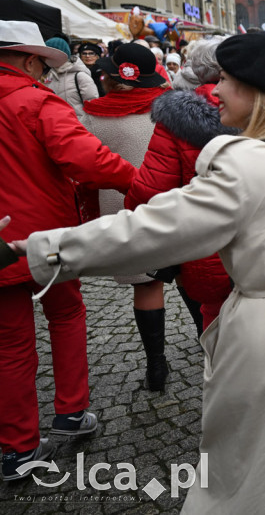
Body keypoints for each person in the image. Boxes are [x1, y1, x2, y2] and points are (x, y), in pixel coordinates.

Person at [10, 31, 265, 512]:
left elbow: (148, 231)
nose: (215, 90)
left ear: (254, 89)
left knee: (258, 479)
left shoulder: (250, 162)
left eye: (225, 79)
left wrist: (32, 250)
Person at [0, 21, 135, 483]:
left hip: (1, 245)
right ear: (29, 60)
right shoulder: (36, 101)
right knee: (66, 316)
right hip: (47, 239)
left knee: (9, 346)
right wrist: (141, 183)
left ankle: (17, 448)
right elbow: (88, 159)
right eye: (40, 64)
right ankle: (71, 412)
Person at [124, 38, 235, 336]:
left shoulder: (176, 117)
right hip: (261, 247)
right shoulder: (263, 108)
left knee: (215, 324)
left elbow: (149, 190)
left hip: (203, 244)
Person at [82, 44, 171, 391]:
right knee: (196, 281)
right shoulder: (167, 110)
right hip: (172, 202)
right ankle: (213, 354)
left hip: (125, 211)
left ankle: (155, 368)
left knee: (146, 284)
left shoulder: (91, 116)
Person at [41, 36, 98, 120]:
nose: (45, 58)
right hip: (54, 127)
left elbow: (93, 106)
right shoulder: (46, 75)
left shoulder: (80, 76)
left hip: (79, 128)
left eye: (49, 54)